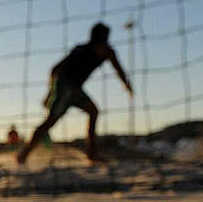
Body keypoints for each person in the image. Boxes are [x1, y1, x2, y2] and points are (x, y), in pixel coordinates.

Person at [17, 21, 132, 164]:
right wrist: (51, 93)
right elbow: (56, 69)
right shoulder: (94, 49)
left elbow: (54, 69)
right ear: (101, 37)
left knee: (93, 111)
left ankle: (91, 154)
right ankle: (24, 154)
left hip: (74, 89)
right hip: (66, 86)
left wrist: (50, 92)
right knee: (51, 121)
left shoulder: (94, 49)